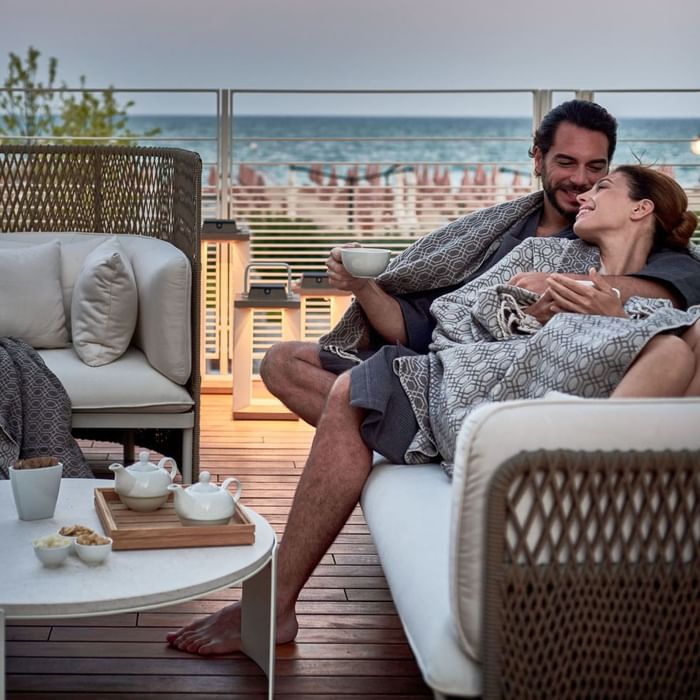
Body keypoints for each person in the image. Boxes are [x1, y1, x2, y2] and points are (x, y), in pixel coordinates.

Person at [167, 163, 700, 655]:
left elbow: (667, 332)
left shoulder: (666, 281)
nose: (585, 189)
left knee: (353, 394)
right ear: (538, 158)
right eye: (572, 169)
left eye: (601, 182)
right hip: (470, 373)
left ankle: (273, 604)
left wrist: (613, 308)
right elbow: (463, 314)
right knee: (330, 378)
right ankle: (277, 599)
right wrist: (524, 311)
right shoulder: (545, 252)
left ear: (641, 208)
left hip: (530, 403)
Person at [259, 100, 700, 428]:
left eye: (595, 168)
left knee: (351, 392)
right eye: (566, 162)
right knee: (281, 362)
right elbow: (415, 324)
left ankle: (405, 431)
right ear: (538, 158)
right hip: (432, 361)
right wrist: (363, 286)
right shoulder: (495, 233)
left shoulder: (612, 239)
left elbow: (683, 278)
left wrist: (578, 287)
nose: (580, 180)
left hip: (503, 384)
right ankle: (403, 427)